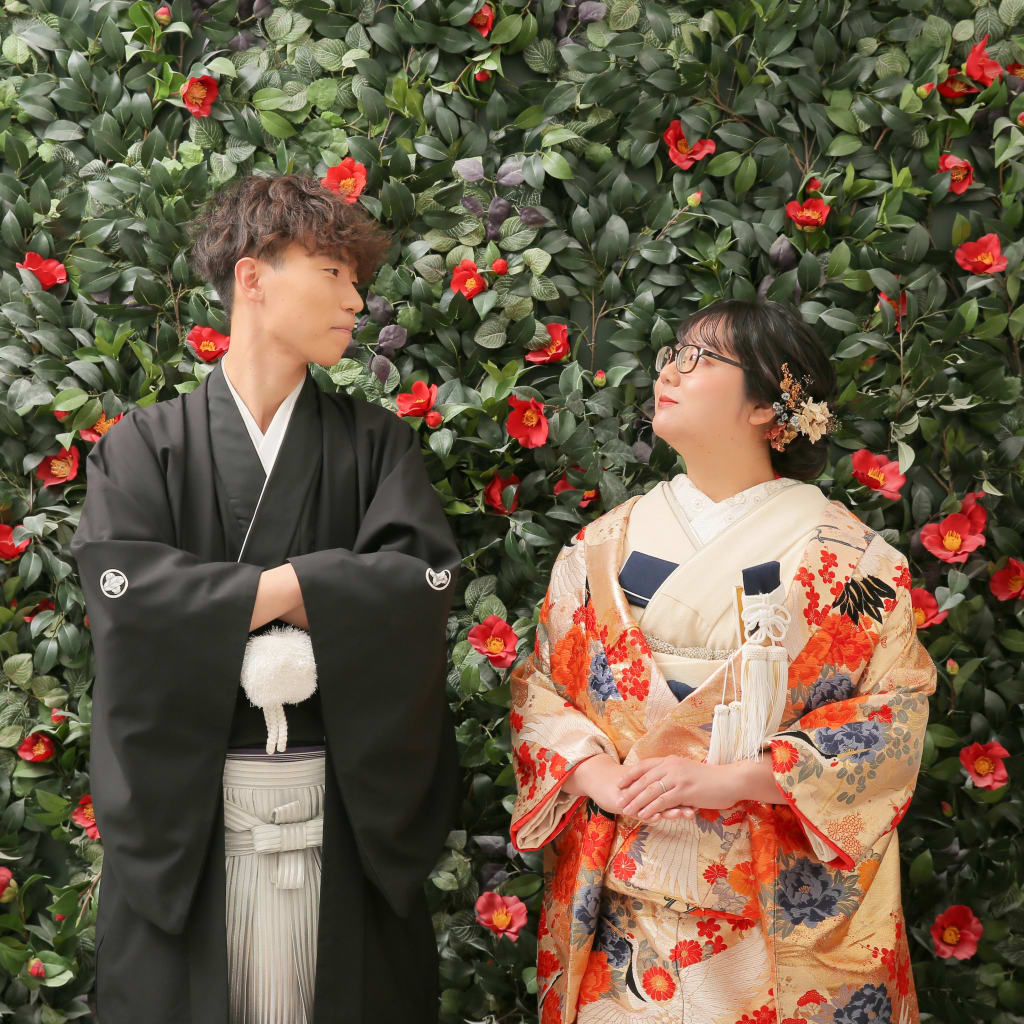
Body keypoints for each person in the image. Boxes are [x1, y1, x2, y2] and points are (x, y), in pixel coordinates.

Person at [71, 174, 461, 1024]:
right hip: (192, 826)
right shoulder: (143, 447)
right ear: (252, 277)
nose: (356, 299)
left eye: (356, 279)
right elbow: (127, 600)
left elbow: (417, 584)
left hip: (341, 814)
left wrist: (233, 597)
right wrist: (314, 584)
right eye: (333, 272)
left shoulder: (377, 444)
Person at [510, 300, 936, 1024]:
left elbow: (889, 725)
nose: (669, 373)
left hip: (772, 906)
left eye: (699, 358)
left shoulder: (855, 565)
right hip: (624, 893)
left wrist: (729, 780)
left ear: (768, 406)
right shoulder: (600, 545)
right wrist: (598, 777)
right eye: (671, 355)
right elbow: (541, 691)